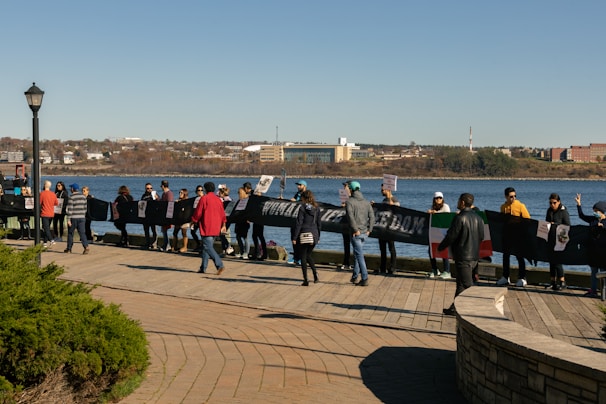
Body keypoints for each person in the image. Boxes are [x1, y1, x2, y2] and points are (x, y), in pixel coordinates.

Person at [438, 193, 485, 316]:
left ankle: (480, 310)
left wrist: (441, 247)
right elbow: (482, 237)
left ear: (463, 203)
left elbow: (451, 236)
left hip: (463, 256)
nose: (457, 203)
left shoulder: (459, 218)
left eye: (459, 201)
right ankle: (455, 308)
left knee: (467, 284)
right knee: (460, 283)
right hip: (474, 256)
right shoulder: (479, 219)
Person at [497, 187, 531, 287]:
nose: (513, 198)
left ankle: (522, 277)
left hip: (518, 236)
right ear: (506, 196)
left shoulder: (521, 206)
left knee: (520, 256)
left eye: (515, 196)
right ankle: (505, 276)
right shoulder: (503, 207)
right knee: (505, 256)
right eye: (511, 196)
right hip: (507, 235)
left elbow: (528, 220)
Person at [191, 182, 226, 275]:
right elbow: (222, 213)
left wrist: (193, 220)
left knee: (208, 246)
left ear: (205, 189)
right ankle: (203, 267)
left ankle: (219, 265)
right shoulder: (218, 200)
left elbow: (198, 213)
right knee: (206, 247)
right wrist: (224, 224)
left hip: (207, 226)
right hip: (216, 226)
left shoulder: (204, 199)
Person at [575, 194, 606, 298]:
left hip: (603, 252)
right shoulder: (593, 220)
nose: (595, 213)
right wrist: (579, 204)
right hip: (593, 251)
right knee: (594, 271)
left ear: (602, 212)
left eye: (597, 211)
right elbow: (582, 216)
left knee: (603, 272)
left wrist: (603, 227)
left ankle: (603, 291)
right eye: (594, 211)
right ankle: (593, 290)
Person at [346, 181, 374, 286]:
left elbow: (350, 217)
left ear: (351, 189)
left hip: (356, 233)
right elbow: (372, 217)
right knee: (358, 254)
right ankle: (354, 275)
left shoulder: (349, 202)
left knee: (359, 255)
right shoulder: (366, 202)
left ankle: (365, 277)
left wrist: (355, 229)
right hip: (364, 233)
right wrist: (369, 230)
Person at [292, 190, 322, 286]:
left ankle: (306, 279)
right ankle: (315, 274)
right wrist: (318, 236)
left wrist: (294, 237)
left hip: (304, 233)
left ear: (303, 198)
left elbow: (299, 223)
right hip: (314, 234)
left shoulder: (302, 208)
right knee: (308, 255)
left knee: (303, 257)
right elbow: (319, 224)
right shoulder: (317, 208)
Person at [545, 193, 570, 291]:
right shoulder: (549, 211)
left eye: (554, 203)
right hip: (551, 238)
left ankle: (562, 282)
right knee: (551, 261)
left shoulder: (563, 212)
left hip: (560, 239)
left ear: (558, 202)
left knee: (558, 261)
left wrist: (555, 224)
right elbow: (546, 222)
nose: (552, 205)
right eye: (550, 203)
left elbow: (568, 225)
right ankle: (553, 282)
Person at [375, 184, 399, 275]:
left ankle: (393, 267)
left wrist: (391, 203)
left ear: (388, 190)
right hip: (382, 228)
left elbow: (397, 210)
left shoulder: (394, 200)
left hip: (390, 228)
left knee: (391, 248)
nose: (381, 191)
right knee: (382, 248)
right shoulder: (383, 200)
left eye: (383, 190)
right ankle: (383, 267)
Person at [427, 191, 451, 279]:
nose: (438, 200)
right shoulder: (432, 207)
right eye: (437, 198)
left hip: (444, 233)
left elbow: (446, 217)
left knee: (444, 251)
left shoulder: (446, 206)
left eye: (440, 198)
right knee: (431, 251)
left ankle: (447, 271)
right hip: (434, 233)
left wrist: (435, 214)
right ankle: (434, 269)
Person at [64, 183, 90, 254]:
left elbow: (70, 209)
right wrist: (82, 214)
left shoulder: (71, 197)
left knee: (70, 233)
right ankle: (86, 246)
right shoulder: (83, 197)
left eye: (71, 188)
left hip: (73, 218)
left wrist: (68, 219)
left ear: (72, 189)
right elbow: (85, 208)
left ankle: (69, 248)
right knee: (82, 233)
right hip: (82, 217)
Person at [287, 180, 307, 265]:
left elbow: (306, 204)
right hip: (294, 219)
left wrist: (296, 202)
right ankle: (295, 257)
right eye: (297, 185)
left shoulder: (306, 194)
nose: (298, 186)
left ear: (304, 186)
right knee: (294, 239)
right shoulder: (297, 194)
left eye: (300, 185)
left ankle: (300, 258)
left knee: (300, 240)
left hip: (302, 220)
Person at [337, 181, 352, 271]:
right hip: (345, 224)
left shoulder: (353, 198)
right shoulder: (345, 198)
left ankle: (351, 263)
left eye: (345, 186)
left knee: (354, 244)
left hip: (352, 224)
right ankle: (346, 262)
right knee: (346, 244)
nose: (344, 188)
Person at [39, 180, 59, 247]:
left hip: (44, 213)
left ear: (44, 185)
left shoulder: (42, 194)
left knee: (46, 228)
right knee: (46, 228)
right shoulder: (53, 194)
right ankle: (45, 242)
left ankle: (51, 240)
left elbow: (39, 203)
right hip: (51, 213)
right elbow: (56, 203)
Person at [140, 183, 158, 250]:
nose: (149, 189)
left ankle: (154, 244)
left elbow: (159, 203)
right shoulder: (144, 196)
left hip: (153, 215)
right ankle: (147, 243)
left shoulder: (154, 195)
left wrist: (157, 198)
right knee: (146, 230)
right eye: (148, 188)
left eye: (151, 188)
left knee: (154, 230)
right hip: (145, 215)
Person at [234, 187, 250, 259]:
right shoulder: (239, 201)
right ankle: (242, 251)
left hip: (245, 221)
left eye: (239, 192)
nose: (238, 194)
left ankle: (246, 253)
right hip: (238, 220)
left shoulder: (247, 200)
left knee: (245, 237)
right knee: (238, 236)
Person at [218, 185, 234, 256]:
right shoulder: (226, 199)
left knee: (221, 234)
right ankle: (224, 250)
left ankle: (228, 246)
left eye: (220, 193)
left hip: (226, 219)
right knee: (221, 234)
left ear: (222, 193)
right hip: (225, 219)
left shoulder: (227, 200)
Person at [172, 189, 190, 253]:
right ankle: (174, 246)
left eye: (181, 193)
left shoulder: (187, 201)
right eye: (179, 192)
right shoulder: (178, 201)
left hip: (184, 220)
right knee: (175, 232)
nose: (180, 194)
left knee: (184, 233)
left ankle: (185, 247)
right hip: (178, 219)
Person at [159, 180, 174, 252]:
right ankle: (165, 244)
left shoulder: (169, 194)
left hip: (168, 215)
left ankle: (168, 245)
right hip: (163, 215)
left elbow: (170, 204)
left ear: (163, 186)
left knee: (167, 230)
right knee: (164, 231)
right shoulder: (163, 194)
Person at [190, 185, 204, 252]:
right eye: (199, 190)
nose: (200, 192)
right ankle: (199, 244)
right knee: (192, 232)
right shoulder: (195, 199)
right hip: (195, 218)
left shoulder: (204, 198)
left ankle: (202, 247)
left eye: (201, 190)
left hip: (201, 219)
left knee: (202, 233)